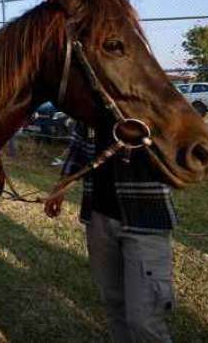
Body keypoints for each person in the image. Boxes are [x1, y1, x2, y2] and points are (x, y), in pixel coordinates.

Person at [44, 122, 176, 343]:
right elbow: (78, 147)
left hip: (145, 217)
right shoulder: (90, 106)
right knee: (114, 303)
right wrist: (62, 185)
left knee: (143, 320)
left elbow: (178, 149)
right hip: (98, 218)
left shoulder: (151, 100)